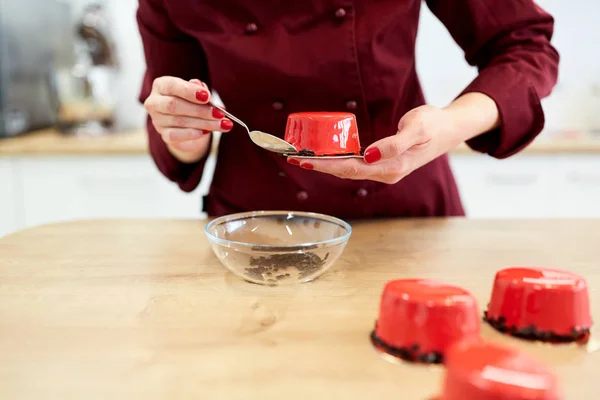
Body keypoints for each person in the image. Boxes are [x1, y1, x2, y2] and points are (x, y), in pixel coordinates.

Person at [137, 0, 558, 219]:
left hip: (402, 210)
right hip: (255, 223)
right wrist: (184, 133)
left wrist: (450, 124)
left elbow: (524, 46)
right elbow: (169, 100)